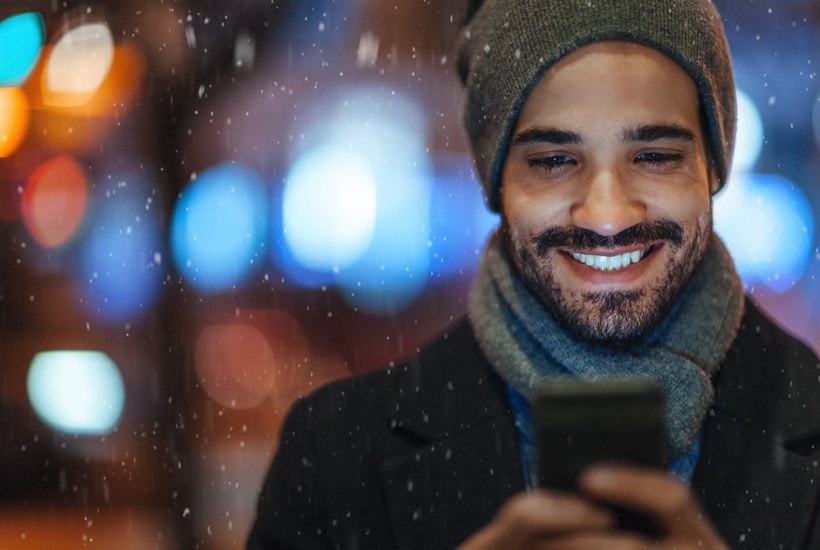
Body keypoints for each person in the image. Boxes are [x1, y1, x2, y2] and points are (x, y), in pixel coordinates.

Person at [247, 0, 820, 548]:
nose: (607, 216)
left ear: (713, 167)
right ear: (496, 183)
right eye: (553, 162)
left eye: (654, 156)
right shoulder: (334, 453)